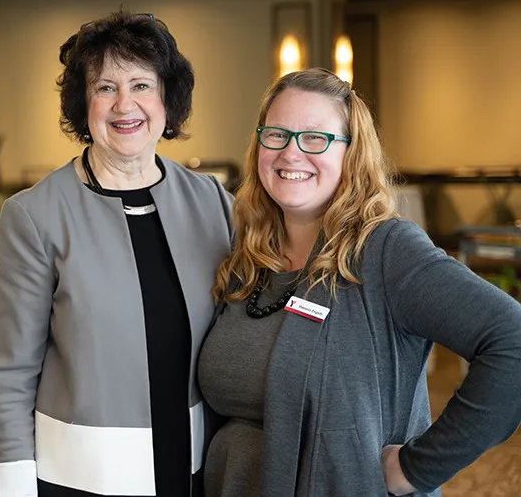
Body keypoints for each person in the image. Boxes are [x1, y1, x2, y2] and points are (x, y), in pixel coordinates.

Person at [197, 67, 521, 496]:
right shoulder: (247, 257)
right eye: (276, 134)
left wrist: (416, 468)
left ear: (351, 153)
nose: (291, 153)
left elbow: (512, 341)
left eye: (316, 137)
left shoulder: (385, 251)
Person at [0, 10, 234, 497]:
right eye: (105, 88)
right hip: (80, 479)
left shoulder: (214, 204)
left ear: (167, 98)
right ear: (84, 104)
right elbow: (9, 371)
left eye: (142, 85)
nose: (125, 105)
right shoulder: (34, 215)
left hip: (196, 469)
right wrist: (12, 484)